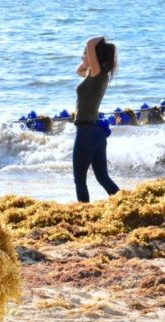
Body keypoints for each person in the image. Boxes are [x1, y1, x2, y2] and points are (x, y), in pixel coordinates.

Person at [72, 36, 120, 203]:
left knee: (79, 179)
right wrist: (86, 58)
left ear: (94, 57)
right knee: (102, 177)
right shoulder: (96, 76)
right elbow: (78, 70)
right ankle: (123, 202)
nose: (82, 56)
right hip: (95, 131)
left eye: (84, 54)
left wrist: (100, 41)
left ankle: (83, 214)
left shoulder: (98, 74)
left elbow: (90, 43)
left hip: (86, 131)